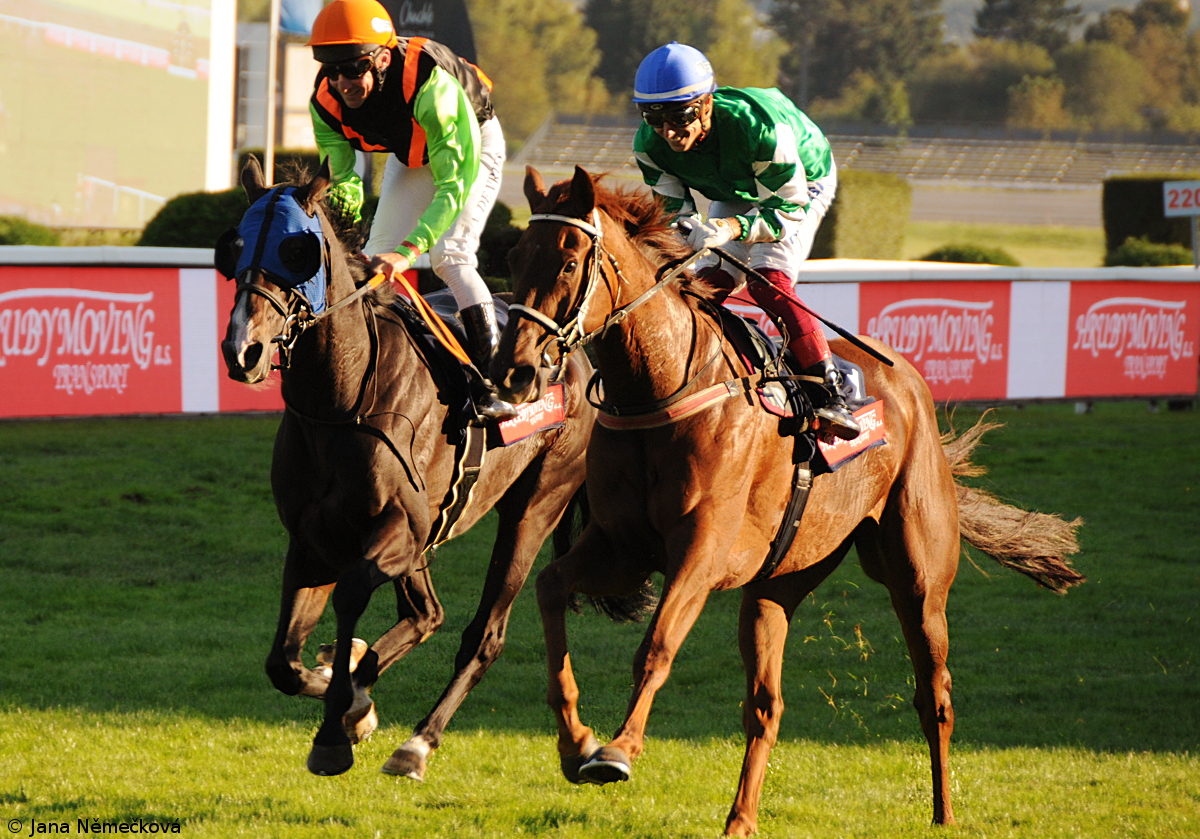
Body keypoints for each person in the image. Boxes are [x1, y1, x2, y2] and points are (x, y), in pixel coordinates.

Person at [631, 42, 861, 440]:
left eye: (679, 116)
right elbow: (674, 219)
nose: (668, 131)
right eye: (654, 118)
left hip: (800, 184)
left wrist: (728, 229)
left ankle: (832, 391)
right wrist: (691, 235)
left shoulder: (758, 129)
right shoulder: (649, 147)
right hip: (736, 186)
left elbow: (786, 212)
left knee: (767, 280)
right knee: (706, 287)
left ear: (706, 104)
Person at [306, 0, 515, 421]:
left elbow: (453, 185)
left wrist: (408, 251)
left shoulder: (430, 86)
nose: (342, 83)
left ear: (382, 59)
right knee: (371, 261)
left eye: (353, 69)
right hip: (413, 153)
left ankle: (492, 383)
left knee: (449, 256)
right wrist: (344, 213)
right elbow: (342, 176)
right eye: (331, 70)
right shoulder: (325, 102)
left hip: (471, 145)